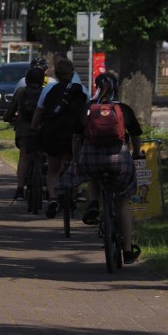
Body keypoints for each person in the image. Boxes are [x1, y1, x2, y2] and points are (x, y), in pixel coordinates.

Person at [60, 72, 143, 264]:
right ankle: (128, 249)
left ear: (95, 86)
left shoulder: (88, 109)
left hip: (92, 158)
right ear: (117, 88)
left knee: (94, 174)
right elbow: (136, 136)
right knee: (122, 202)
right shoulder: (123, 109)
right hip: (119, 159)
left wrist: (77, 156)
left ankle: (93, 204)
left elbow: (76, 137)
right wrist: (137, 152)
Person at [30, 58, 89, 217]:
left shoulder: (48, 89)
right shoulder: (82, 90)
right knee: (75, 163)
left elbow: (39, 112)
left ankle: (53, 198)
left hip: (53, 133)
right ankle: (76, 190)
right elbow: (87, 114)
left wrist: (33, 128)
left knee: (53, 169)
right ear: (72, 72)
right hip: (74, 134)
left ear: (56, 74)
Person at [6, 66, 45, 201]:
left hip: (24, 129)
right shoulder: (45, 92)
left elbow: (11, 109)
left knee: (23, 157)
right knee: (43, 154)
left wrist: (8, 117)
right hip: (41, 129)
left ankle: (19, 190)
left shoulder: (21, 92)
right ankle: (43, 184)